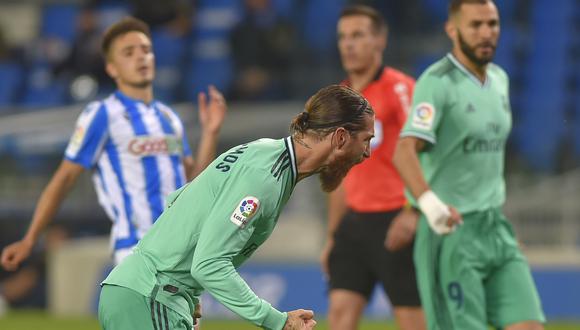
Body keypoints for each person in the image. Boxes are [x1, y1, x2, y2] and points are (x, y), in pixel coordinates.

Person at [97, 84, 375, 330]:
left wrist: (190, 293)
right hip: (153, 296)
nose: (368, 152)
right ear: (340, 137)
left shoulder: (264, 152)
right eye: (366, 139)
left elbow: (180, 199)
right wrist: (278, 321)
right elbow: (209, 264)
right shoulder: (266, 178)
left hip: (144, 292)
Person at [1, 17, 227, 270]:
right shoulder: (102, 114)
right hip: (136, 248)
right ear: (112, 68)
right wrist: (30, 239)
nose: (141, 57)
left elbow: (193, 186)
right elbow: (64, 178)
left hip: (180, 248)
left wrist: (210, 132)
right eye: (129, 53)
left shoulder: (169, 117)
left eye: (146, 50)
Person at [392, 1, 545, 329]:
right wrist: (428, 207)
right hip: (451, 233)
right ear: (453, 29)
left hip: (494, 229)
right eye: (475, 25)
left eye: (492, 24)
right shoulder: (437, 82)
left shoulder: (501, 80)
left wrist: (492, 221)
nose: (486, 33)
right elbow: (404, 150)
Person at [320, 5, 425, 330]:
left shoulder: (401, 88)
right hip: (354, 224)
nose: (348, 44)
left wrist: (413, 212)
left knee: (412, 321)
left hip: (396, 220)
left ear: (380, 40)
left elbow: (426, 154)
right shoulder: (339, 99)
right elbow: (336, 173)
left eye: (358, 35)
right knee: (339, 315)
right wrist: (333, 235)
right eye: (343, 37)